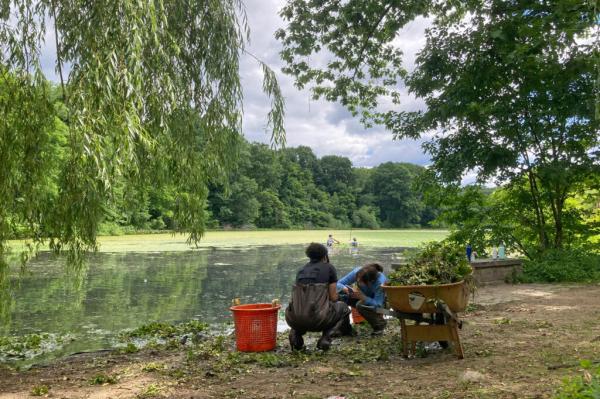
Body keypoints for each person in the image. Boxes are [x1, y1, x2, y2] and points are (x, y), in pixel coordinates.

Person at [285, 243, 350, 351]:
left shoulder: (301, 271)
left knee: (302, 312)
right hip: (318, 319)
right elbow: (333, 298)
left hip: (293, 318)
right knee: (343, 308)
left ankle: (296, 338)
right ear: (325, 255)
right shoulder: (329, 268)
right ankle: (326, 338)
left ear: (308, 255)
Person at [336, 263, 387, 336]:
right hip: (361, 296)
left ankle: (379, 325)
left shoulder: (379, 283)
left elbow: (378, 304)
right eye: (357, 279)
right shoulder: (357, 272)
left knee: (360, 305)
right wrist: (344, 288)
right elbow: (338, 284)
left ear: (370, 281)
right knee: (339, 296)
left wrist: (364, 298)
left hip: (380, 304)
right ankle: (345, 328)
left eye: (361, 281)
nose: (358, 281)